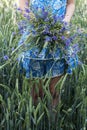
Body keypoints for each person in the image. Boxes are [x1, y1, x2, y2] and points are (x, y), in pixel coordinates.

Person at [18, 0, 77, 106]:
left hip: (58, 36)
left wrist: (65, 21)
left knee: (54, 91)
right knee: (36, 92)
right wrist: (37, 24)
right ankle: (35, 121)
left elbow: (70, 3)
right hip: (35, 36)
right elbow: (22, 3)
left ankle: (52, 122)